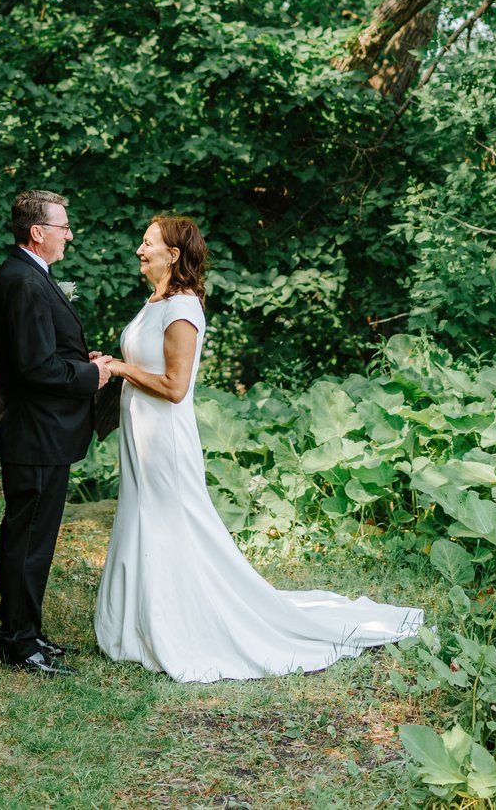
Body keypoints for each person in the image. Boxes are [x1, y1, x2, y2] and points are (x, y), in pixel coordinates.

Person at [90, 214, 423, 682]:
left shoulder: (183, 309)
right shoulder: (154, 301)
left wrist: (121, 369)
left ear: (174, 254)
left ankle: (184, 622)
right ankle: (136, 624)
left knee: (172, 523)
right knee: (141, 518)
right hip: (139, 435)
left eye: (148, 244)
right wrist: (109, 365)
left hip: (163, 438)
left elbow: (175, 387)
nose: (139, 251)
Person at [0, 189, 113, 676]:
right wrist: (91, 377)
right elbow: (32, 368)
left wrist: (78, 362)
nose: (70, 235)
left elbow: (39, 353)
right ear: (38, 232)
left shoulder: (30, 275)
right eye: (63, 227)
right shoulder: (22, 281)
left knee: (35, 539)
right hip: (34, 435)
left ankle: (27, 631)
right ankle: (18, 644)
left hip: (41, 434)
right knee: (28, 541)